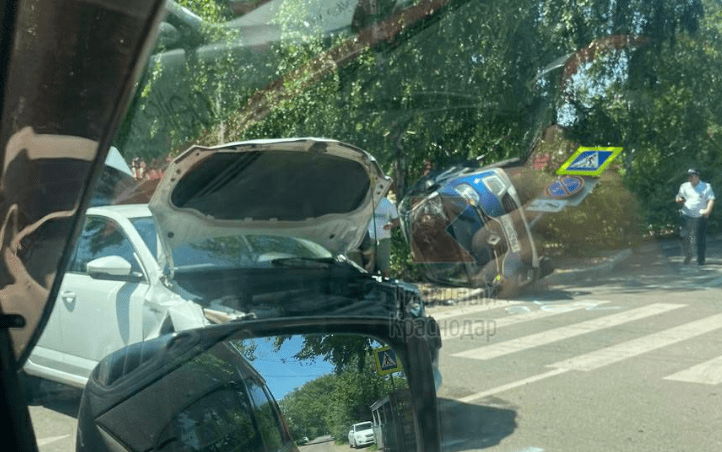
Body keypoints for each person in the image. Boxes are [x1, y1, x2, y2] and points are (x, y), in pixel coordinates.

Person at [675, 168, 715, 265]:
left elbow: (711, 199)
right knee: (684, 236)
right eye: (689, 176)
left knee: (700, 238)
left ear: (697, 177)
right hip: (686, 215)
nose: (690, 178)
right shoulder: (684, 186)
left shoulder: (706, 187)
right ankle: (688, 255)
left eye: (692, 176)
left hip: (700, 216)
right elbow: (678, 197)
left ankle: (701, 259)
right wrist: (678, 199)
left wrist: (707, 210)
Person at [367, 196, 400, 277]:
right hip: (369, 239)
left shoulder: (389, 203)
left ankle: (385, 284)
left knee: (385, 268)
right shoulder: (367, 202)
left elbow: (396, 220)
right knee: (368, 267)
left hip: (384, 239)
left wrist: (391, 225)